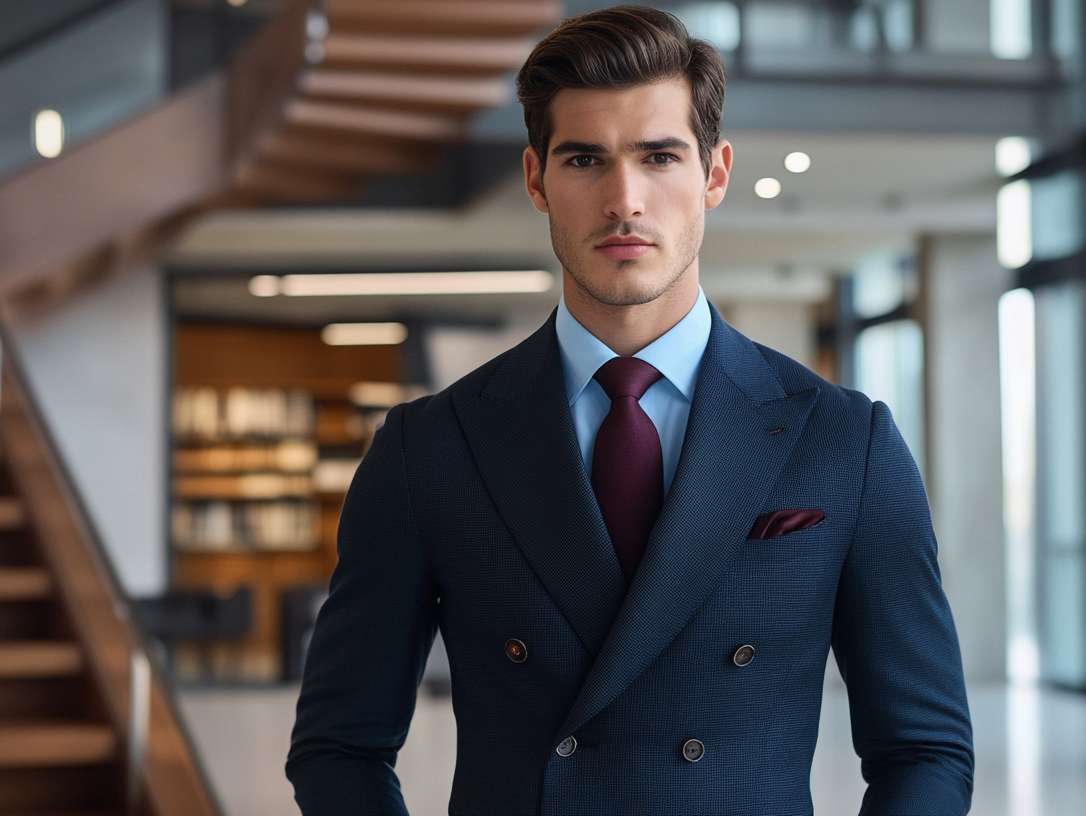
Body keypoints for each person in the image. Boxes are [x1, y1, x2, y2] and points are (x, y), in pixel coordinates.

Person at [286, 6, 973, 814]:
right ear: (537, 179)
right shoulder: (430, 448)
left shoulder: (844, 441)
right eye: (584, 159)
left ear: (714, 174)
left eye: (658, 157)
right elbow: (340, 746)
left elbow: (924, 749)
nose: (624, 199)